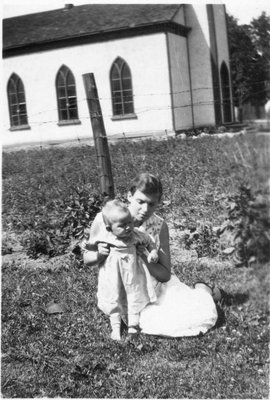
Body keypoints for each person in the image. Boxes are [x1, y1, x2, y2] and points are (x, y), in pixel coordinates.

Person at [83, 173, 218, 338]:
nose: (145, 210)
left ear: (158, 203)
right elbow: (86, 258)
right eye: (140, 202)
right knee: (152, 323)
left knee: (190, 316)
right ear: (129, 196)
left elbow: (165, 274)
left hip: (152, 290)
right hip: (117, 290)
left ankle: (203, 290)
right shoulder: (106, 220)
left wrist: (146, 260)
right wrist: (99, 255)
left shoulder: (158, 226)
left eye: (151, 204)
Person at [83, 198, 160, 341]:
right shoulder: (105, 238)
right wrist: (99, 253)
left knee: (134, 296)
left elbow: (149, 242)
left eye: (129, 222)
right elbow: (88, 252)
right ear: (109, 228)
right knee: (114, 298)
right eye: (122, 225)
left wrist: (153, 252)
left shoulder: (135, 235)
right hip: (113, 276)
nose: (128, 227)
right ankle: (116, 328)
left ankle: (133, 326)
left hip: (133, 275)